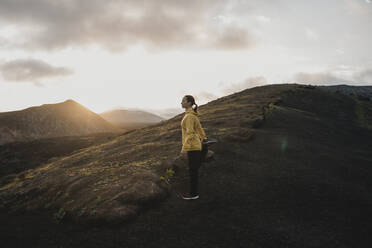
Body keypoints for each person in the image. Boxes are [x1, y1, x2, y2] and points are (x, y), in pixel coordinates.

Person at [179, 95, 207, 200]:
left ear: (189, 103)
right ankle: (193, 192)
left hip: (192, 147)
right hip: (195, 146)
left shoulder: (189, 116)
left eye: (183, 101)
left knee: (193, 171)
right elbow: (200, 129)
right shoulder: (192, 115)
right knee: (193, 170)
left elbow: (190, 133)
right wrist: (204, 138)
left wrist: (184, 149)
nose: (181, 102)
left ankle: (193, 194)